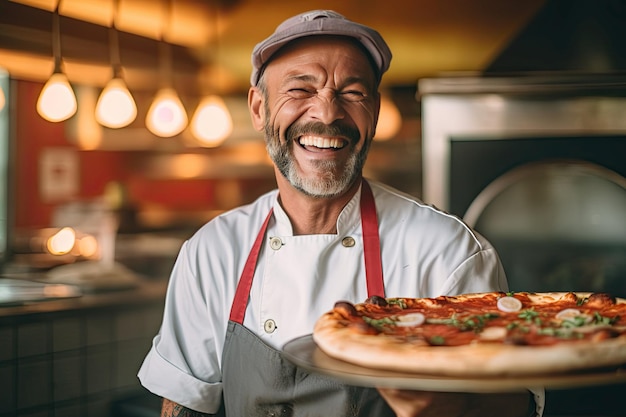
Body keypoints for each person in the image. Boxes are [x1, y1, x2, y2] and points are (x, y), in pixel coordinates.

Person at [138, 10, 544, 417]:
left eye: (352, 93)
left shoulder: (447, 251)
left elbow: (512, 401)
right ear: (259, 108)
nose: (328, 113)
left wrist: (454, 404)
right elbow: (186, 403)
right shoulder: (212, 251)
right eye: (300, 90)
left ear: (376, 112)